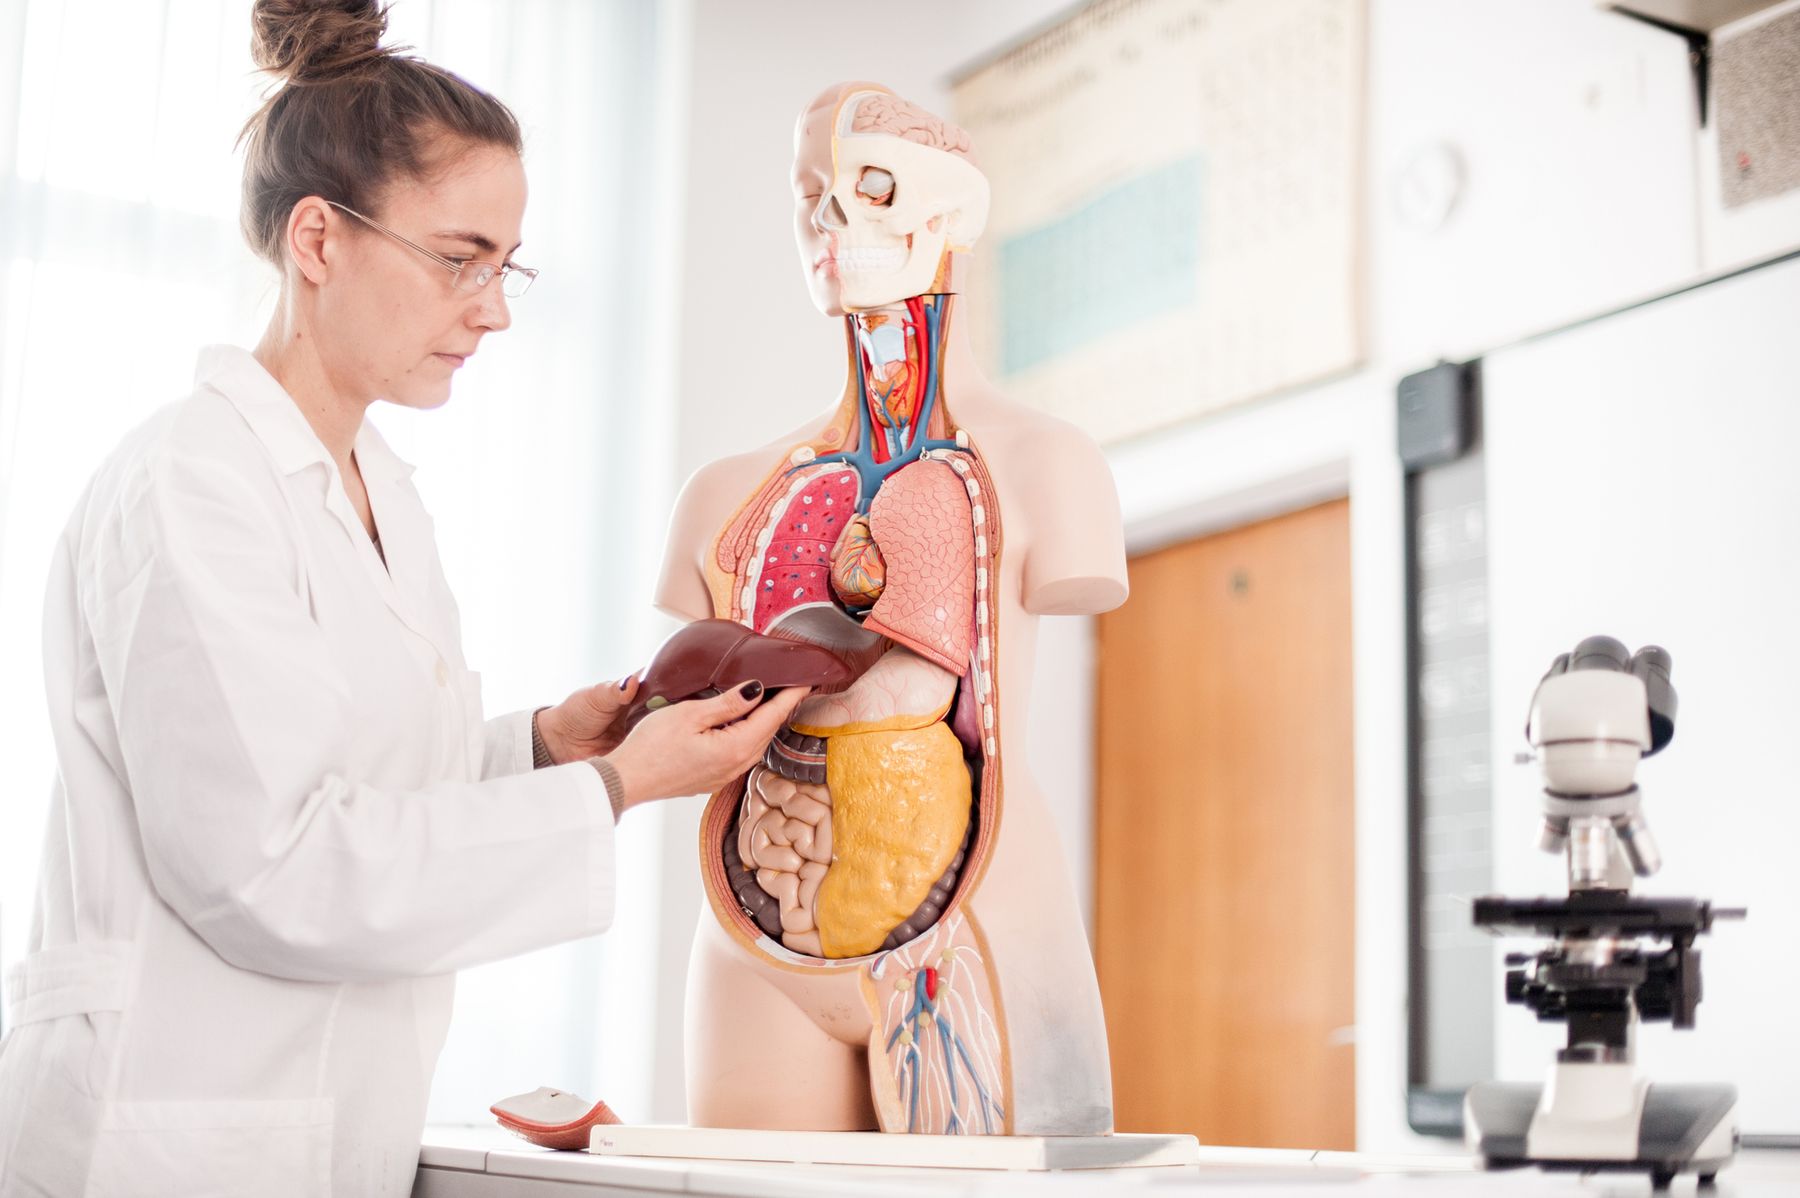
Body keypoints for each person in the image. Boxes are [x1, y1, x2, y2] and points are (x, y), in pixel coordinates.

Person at [0, 3, 804, 1194]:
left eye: (507, 265)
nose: (494, 307)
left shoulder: (381, 492)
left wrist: (538, 749)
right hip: (162, 1141)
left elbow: (365, 793)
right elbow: (273, 867)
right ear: (318, 239)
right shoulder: (190, 487)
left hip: (315, 1129)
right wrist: (618, 786)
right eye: (458, 258)